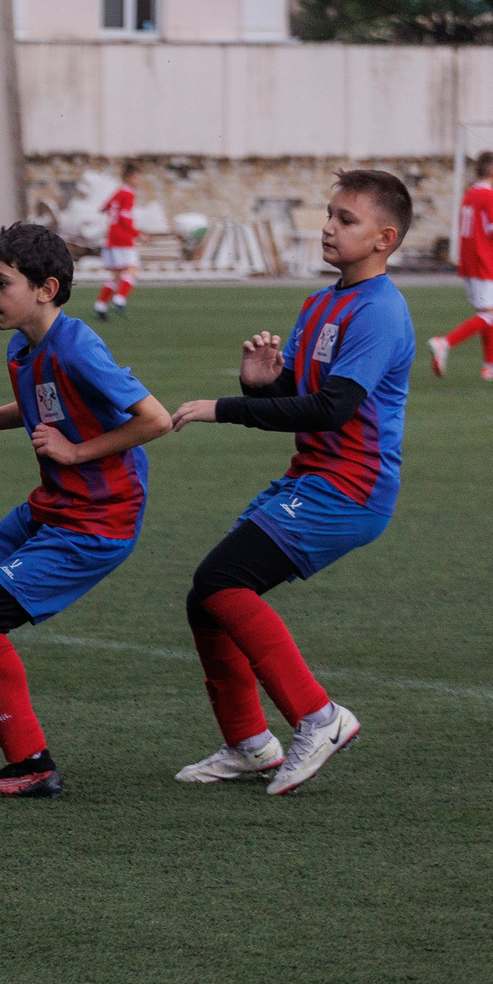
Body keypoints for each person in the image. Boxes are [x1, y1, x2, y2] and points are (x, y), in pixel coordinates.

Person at [163, 169, 416, 796]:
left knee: (223, 581)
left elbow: (331, 409)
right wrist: (259, 383)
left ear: (385, 238)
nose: (328, 228)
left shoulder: (381, 311)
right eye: (329, 214)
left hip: (352, 489)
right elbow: (298, 394)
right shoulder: (322, 303)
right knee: (207, 598)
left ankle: (320, 717)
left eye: (346, 219)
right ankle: (249, 745)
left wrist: (225, 408)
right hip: (314, 478)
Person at [0, 222, 171, 798]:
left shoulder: (78, 347)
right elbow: (41, 403)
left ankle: (32, 765)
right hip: (52, 508)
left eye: (1, 283)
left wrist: (75, 452)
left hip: (97, 522)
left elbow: (156, 419)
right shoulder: (24, 346)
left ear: (46, 289)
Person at [429, 154, 493, 379]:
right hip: (483, 261)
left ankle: (490, 366)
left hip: (469, 262)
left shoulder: (469, 194)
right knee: (488, 315)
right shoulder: (490, 195)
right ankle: (444, 343)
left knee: (489, 313)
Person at [93, 162, 142, 320]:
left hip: (112, 238)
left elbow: (103, 207)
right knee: (132, 269)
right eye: (137, 177)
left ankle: (100, 306)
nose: (139, 181)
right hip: (123, 238)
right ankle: (119, 300)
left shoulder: (118, 193)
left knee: (116, 275)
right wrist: (137, 234)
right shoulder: (128, 194)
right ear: (129, 177)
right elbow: (124, 217)